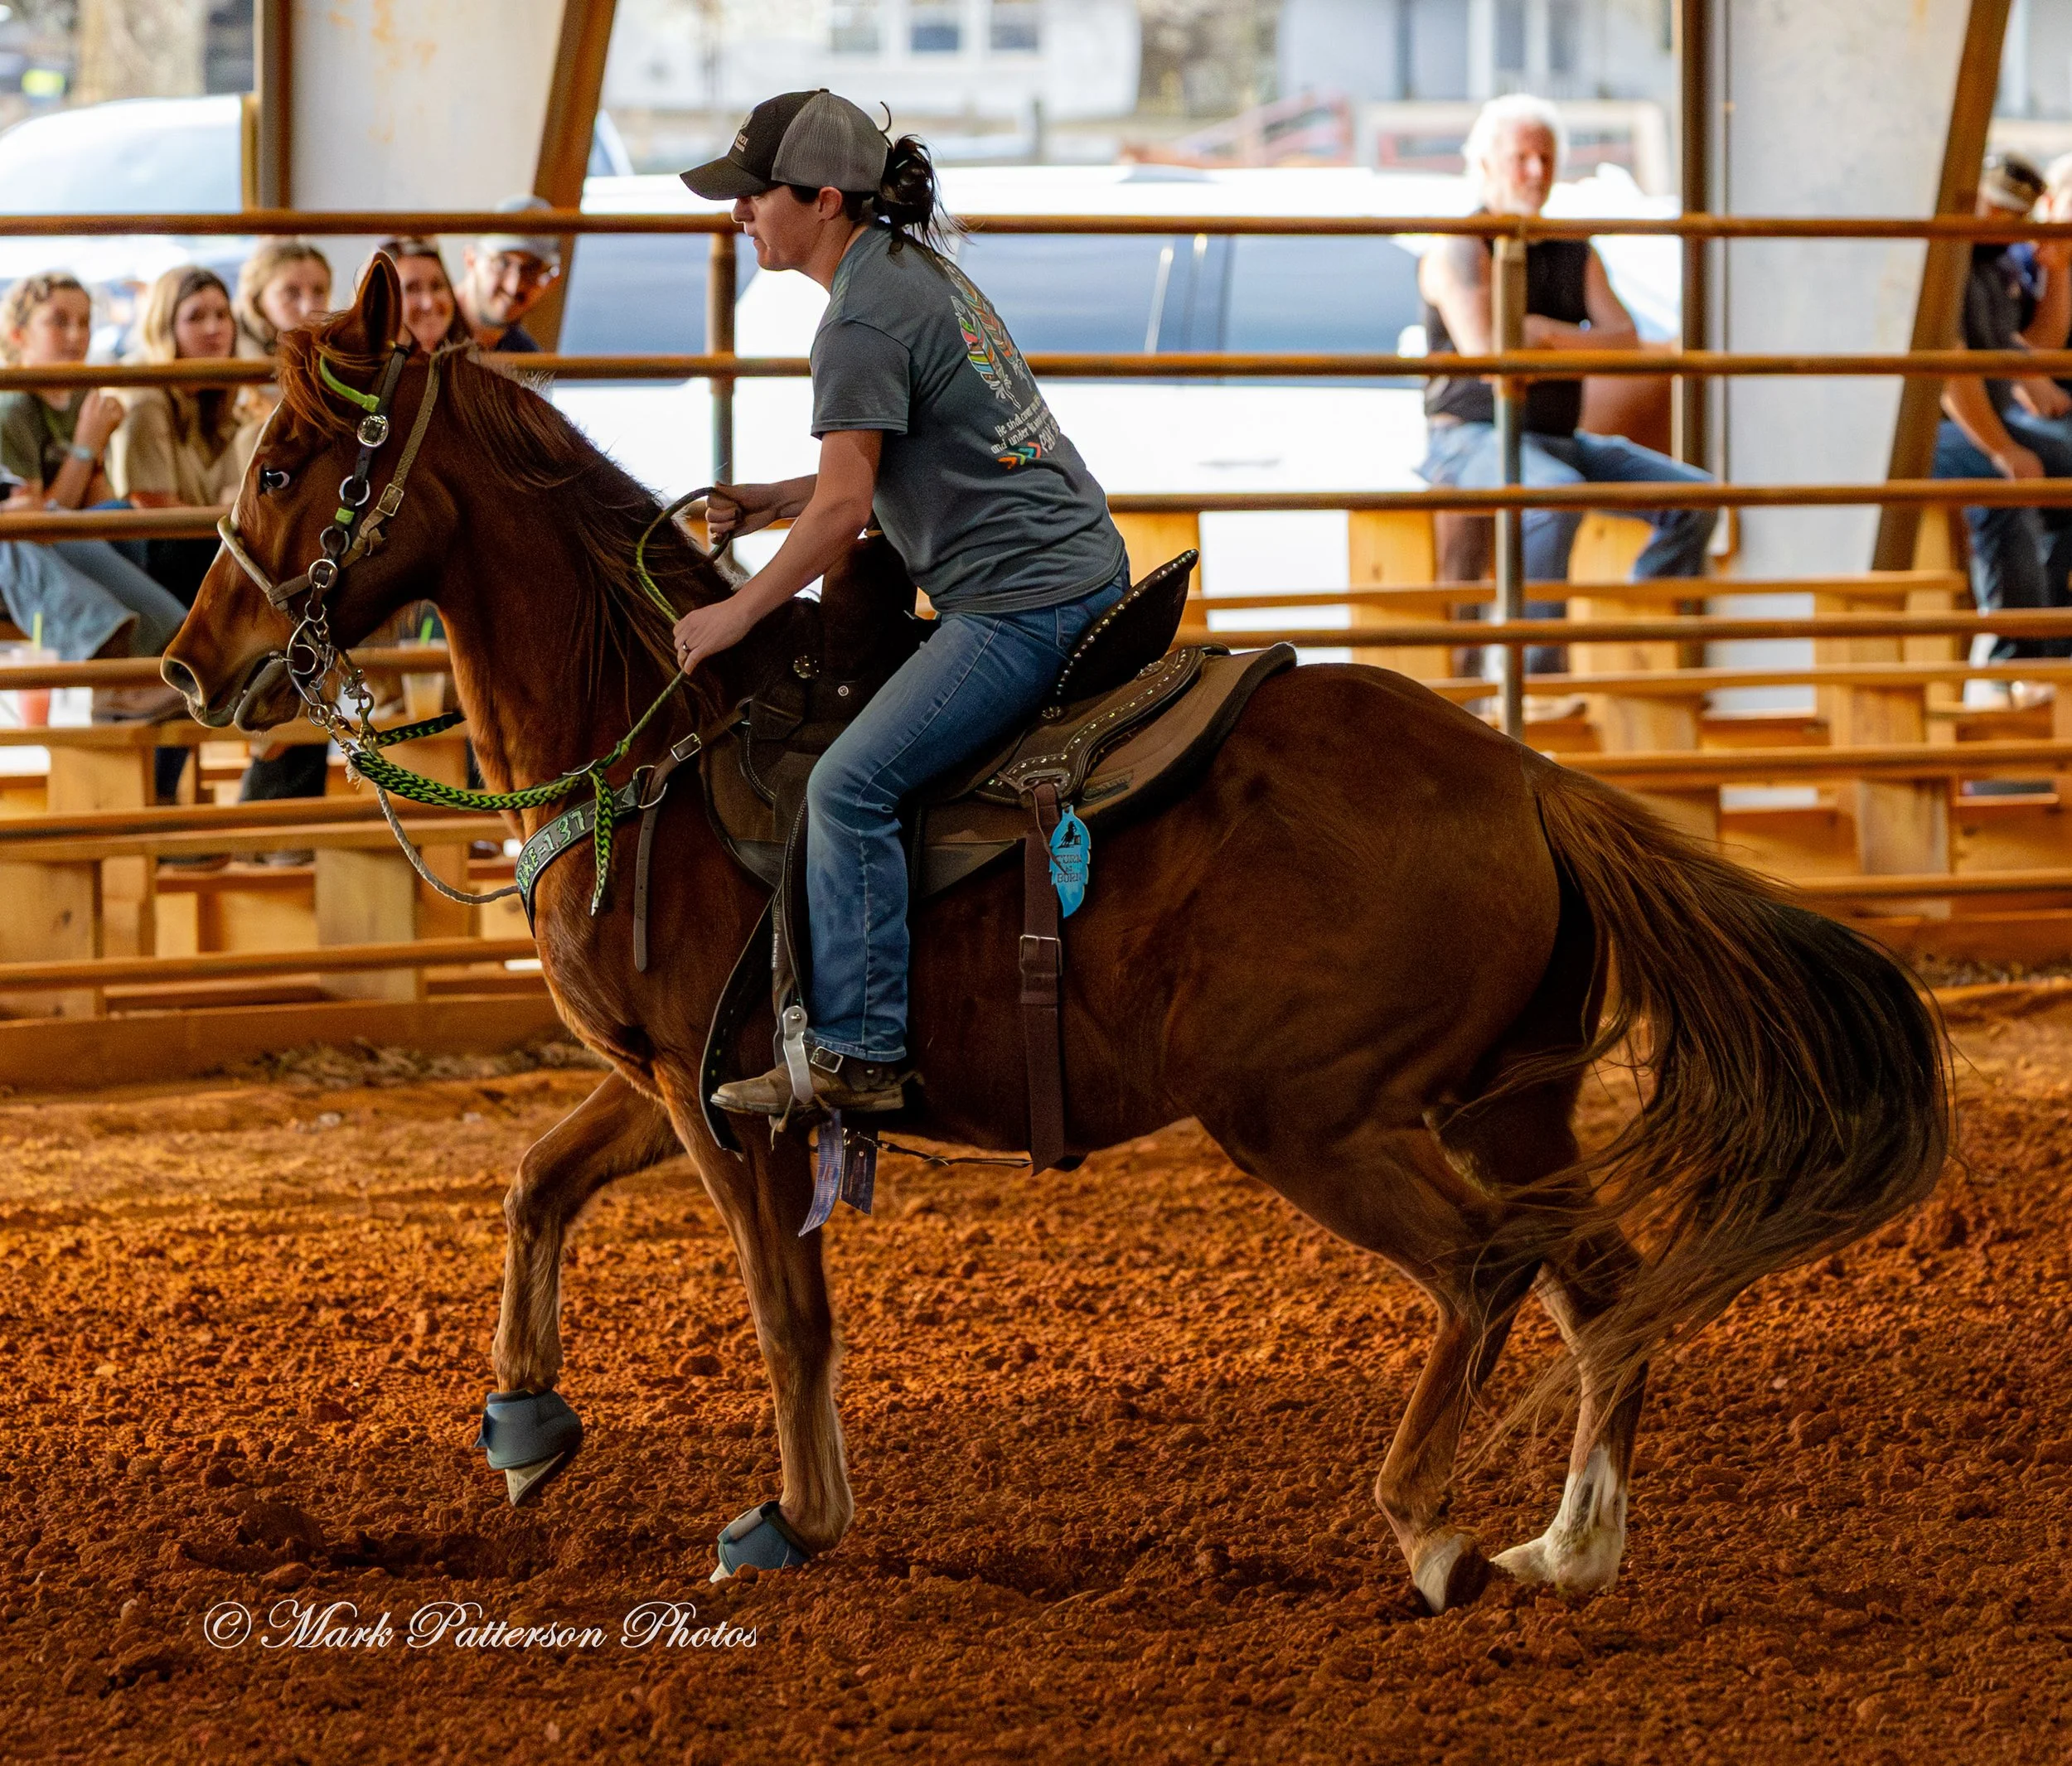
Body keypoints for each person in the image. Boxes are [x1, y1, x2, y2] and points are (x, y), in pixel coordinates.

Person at [680, 90, 1129, 1116]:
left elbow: (846, 509)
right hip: (1078, 566)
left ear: (824, 200)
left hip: (1021, 603)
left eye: (755, 196)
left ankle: (862, 1048)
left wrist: (735, 611)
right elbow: (881, 469)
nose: (739, 214)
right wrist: (771, 501)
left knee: (847, 788)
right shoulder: (913, 275)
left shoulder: (860, 320)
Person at [1416, 94, 1716, 675]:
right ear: (1485, 164)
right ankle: (1538, 677)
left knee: (1697, 500)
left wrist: (1545, 335)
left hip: (1556, 438)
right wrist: (1568, 344)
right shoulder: (1459, 243)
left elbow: (1624, 339)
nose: (1535, 172)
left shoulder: (1573, 248)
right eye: (1521, 157)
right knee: (1554, 499)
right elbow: (1488, 355)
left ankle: (1632, 635)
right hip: (1468, 439)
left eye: (1546, 158)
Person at [0, 271, 188, 681]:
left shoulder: (84, 393)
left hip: (75, 537)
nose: (76, 335)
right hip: (35, 550)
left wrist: (95, 455)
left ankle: (176, 652)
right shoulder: (13, 405)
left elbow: (95, 504)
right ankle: (135, 666)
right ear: (18, 335)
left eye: (85, 322)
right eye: (58, 321)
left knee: (142, 528)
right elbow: (40, 522)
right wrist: (86, 445)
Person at [1930, 152, 2072, 690]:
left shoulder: (1987, 262)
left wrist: (2027, 375)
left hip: (1979, 415)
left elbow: (1997, 343)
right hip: (1927, 429)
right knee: (2003, 485)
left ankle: (2050, 643)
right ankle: (2015, 662)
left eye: (2015, 216)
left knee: (2059, 463)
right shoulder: (1949, 261)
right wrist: (2001, 449)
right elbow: (1950, 370)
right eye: (1999, 209)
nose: (2006, 225)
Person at [231, 240, 336, 814]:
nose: (309, 304)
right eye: (290, 293)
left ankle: (288, 807)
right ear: (258, 302)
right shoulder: (245, 377)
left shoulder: (323, 374)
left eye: (319, 290)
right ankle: (273, 805)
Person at [455, 196, 561, 353]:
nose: (513, 286)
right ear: (470, 259)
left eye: (531, 270)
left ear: (552, 282)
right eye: (502, 263)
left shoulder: (526, 364)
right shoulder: (418, 331)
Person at [370, 236, 471, 354]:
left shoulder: (471, 363)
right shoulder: (367, 369)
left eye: (436, 286)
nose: (428, 303)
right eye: (412, 289)